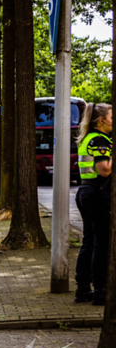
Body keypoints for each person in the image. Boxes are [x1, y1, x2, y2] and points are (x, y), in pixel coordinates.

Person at [75, 103, 112, 304]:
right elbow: (105, 169)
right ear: (102, 120)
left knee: (89, 240)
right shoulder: (100, 139)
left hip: (86, 191)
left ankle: (82, 288)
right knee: (101, 242)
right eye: (112, 117)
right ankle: (100, 290)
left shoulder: (88, 137)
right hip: (98, 193)